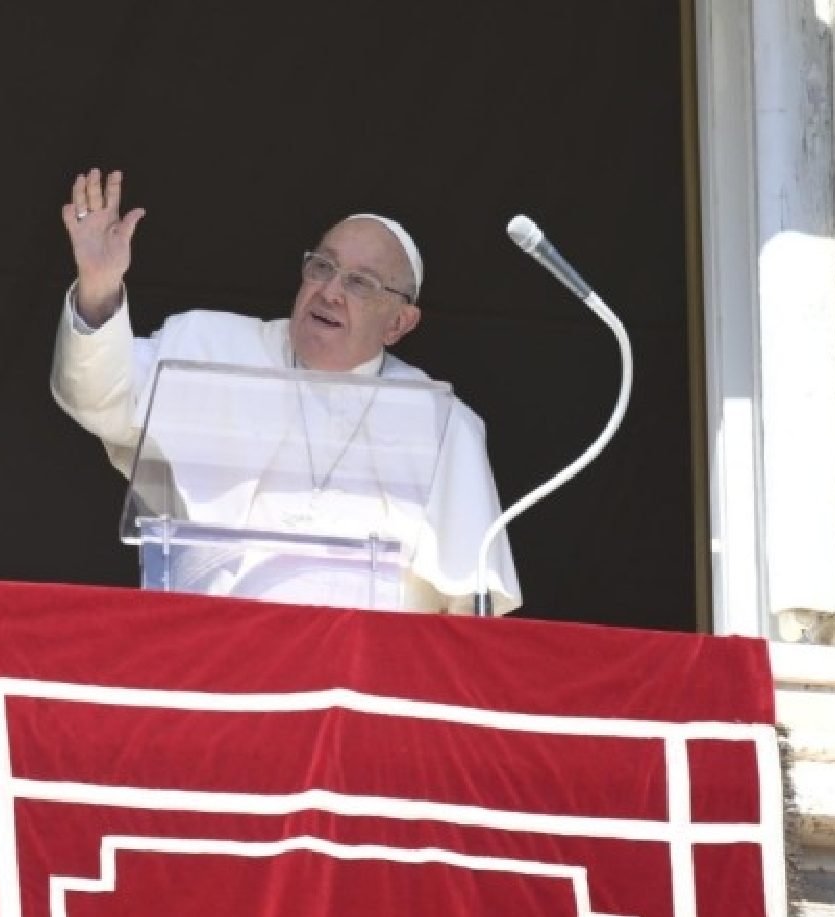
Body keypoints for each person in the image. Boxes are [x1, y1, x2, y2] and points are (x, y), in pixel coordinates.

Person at [51, 168, 520, 614]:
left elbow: (471, 604)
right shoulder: (211, 347)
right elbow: (97, 396)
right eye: (322, 268)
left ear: (399, 322)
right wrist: (99, 287)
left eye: (360, 283)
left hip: (369, 672)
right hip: (219, 652)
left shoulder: (441, 424)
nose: (330, 291)